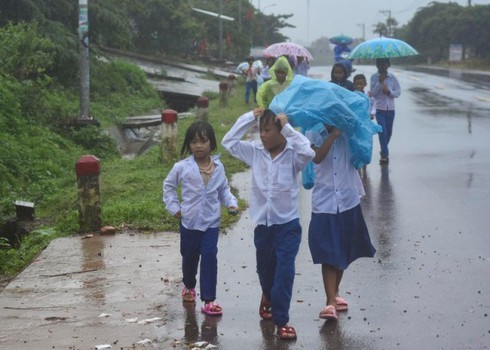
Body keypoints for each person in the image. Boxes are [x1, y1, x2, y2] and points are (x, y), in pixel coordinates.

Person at [222, 108, 315, 340]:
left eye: (267, 130)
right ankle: (268, 294)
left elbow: (309, 152)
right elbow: (229, 141)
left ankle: (282, 320)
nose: (262, 135)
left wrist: (288, 128)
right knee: (265, 271)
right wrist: (249, 117)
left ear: (280, 132)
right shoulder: (255, 153)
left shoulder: (294, 155)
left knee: (284, 270)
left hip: (288, 225)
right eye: (260, 130)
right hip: (263, 225)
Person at [163, 121, 239, 316]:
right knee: (189, 257)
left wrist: (231, 203)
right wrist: (174, 207)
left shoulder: (219, 167)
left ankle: (209, 299)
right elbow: (169, 186)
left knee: (209, 257)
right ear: (188, 144)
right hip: (189, 222)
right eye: (194, 142)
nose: (198, 146)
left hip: (211, 223)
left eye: (203, 141)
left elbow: (224, 190)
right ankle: (189, 285)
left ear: (211, 144)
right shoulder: (182, 167)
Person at [305, 124, 376, 322]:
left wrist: (353, 131)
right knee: (328, 252)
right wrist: (333, 135)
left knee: (343, 250)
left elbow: (361, 155)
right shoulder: (313, 131)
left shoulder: (350, 129)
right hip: (324, 201)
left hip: (347, 198)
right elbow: (317, 157)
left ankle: (335, 292)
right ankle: (329, 301)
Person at [370, 58, 401, 164]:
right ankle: (384, 154)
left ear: (388, 65)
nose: (382, 66)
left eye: (384, 64)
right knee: (382, 131)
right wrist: (380, 83)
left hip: (390, 109)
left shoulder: (393, 78)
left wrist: (389, 92)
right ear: (377, 65)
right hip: (379, 108)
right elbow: (372, 93)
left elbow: (398, 92)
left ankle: (384, 149)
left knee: (389, 132)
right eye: (379, 64)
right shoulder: (374, 77)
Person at [353, 73, 377, 177]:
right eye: (357, 84)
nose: (359, 86)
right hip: (357, 125)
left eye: (361, 84)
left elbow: (373, 105)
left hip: (366, 124)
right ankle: (358, 168)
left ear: (365, 84)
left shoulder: (368, 97)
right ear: (354, 84)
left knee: (366, 145)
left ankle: (365, 166)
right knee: (357, 145)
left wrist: (372, 113)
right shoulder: (352, 95)